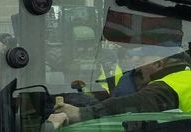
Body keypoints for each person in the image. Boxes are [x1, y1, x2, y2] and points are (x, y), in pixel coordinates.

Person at [50, 44, 191, 127]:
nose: (138, 67)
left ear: (158, 63)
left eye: (142, 61)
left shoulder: (170, 85)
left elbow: (133, 103)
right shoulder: (185, 78)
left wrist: (80, 113)